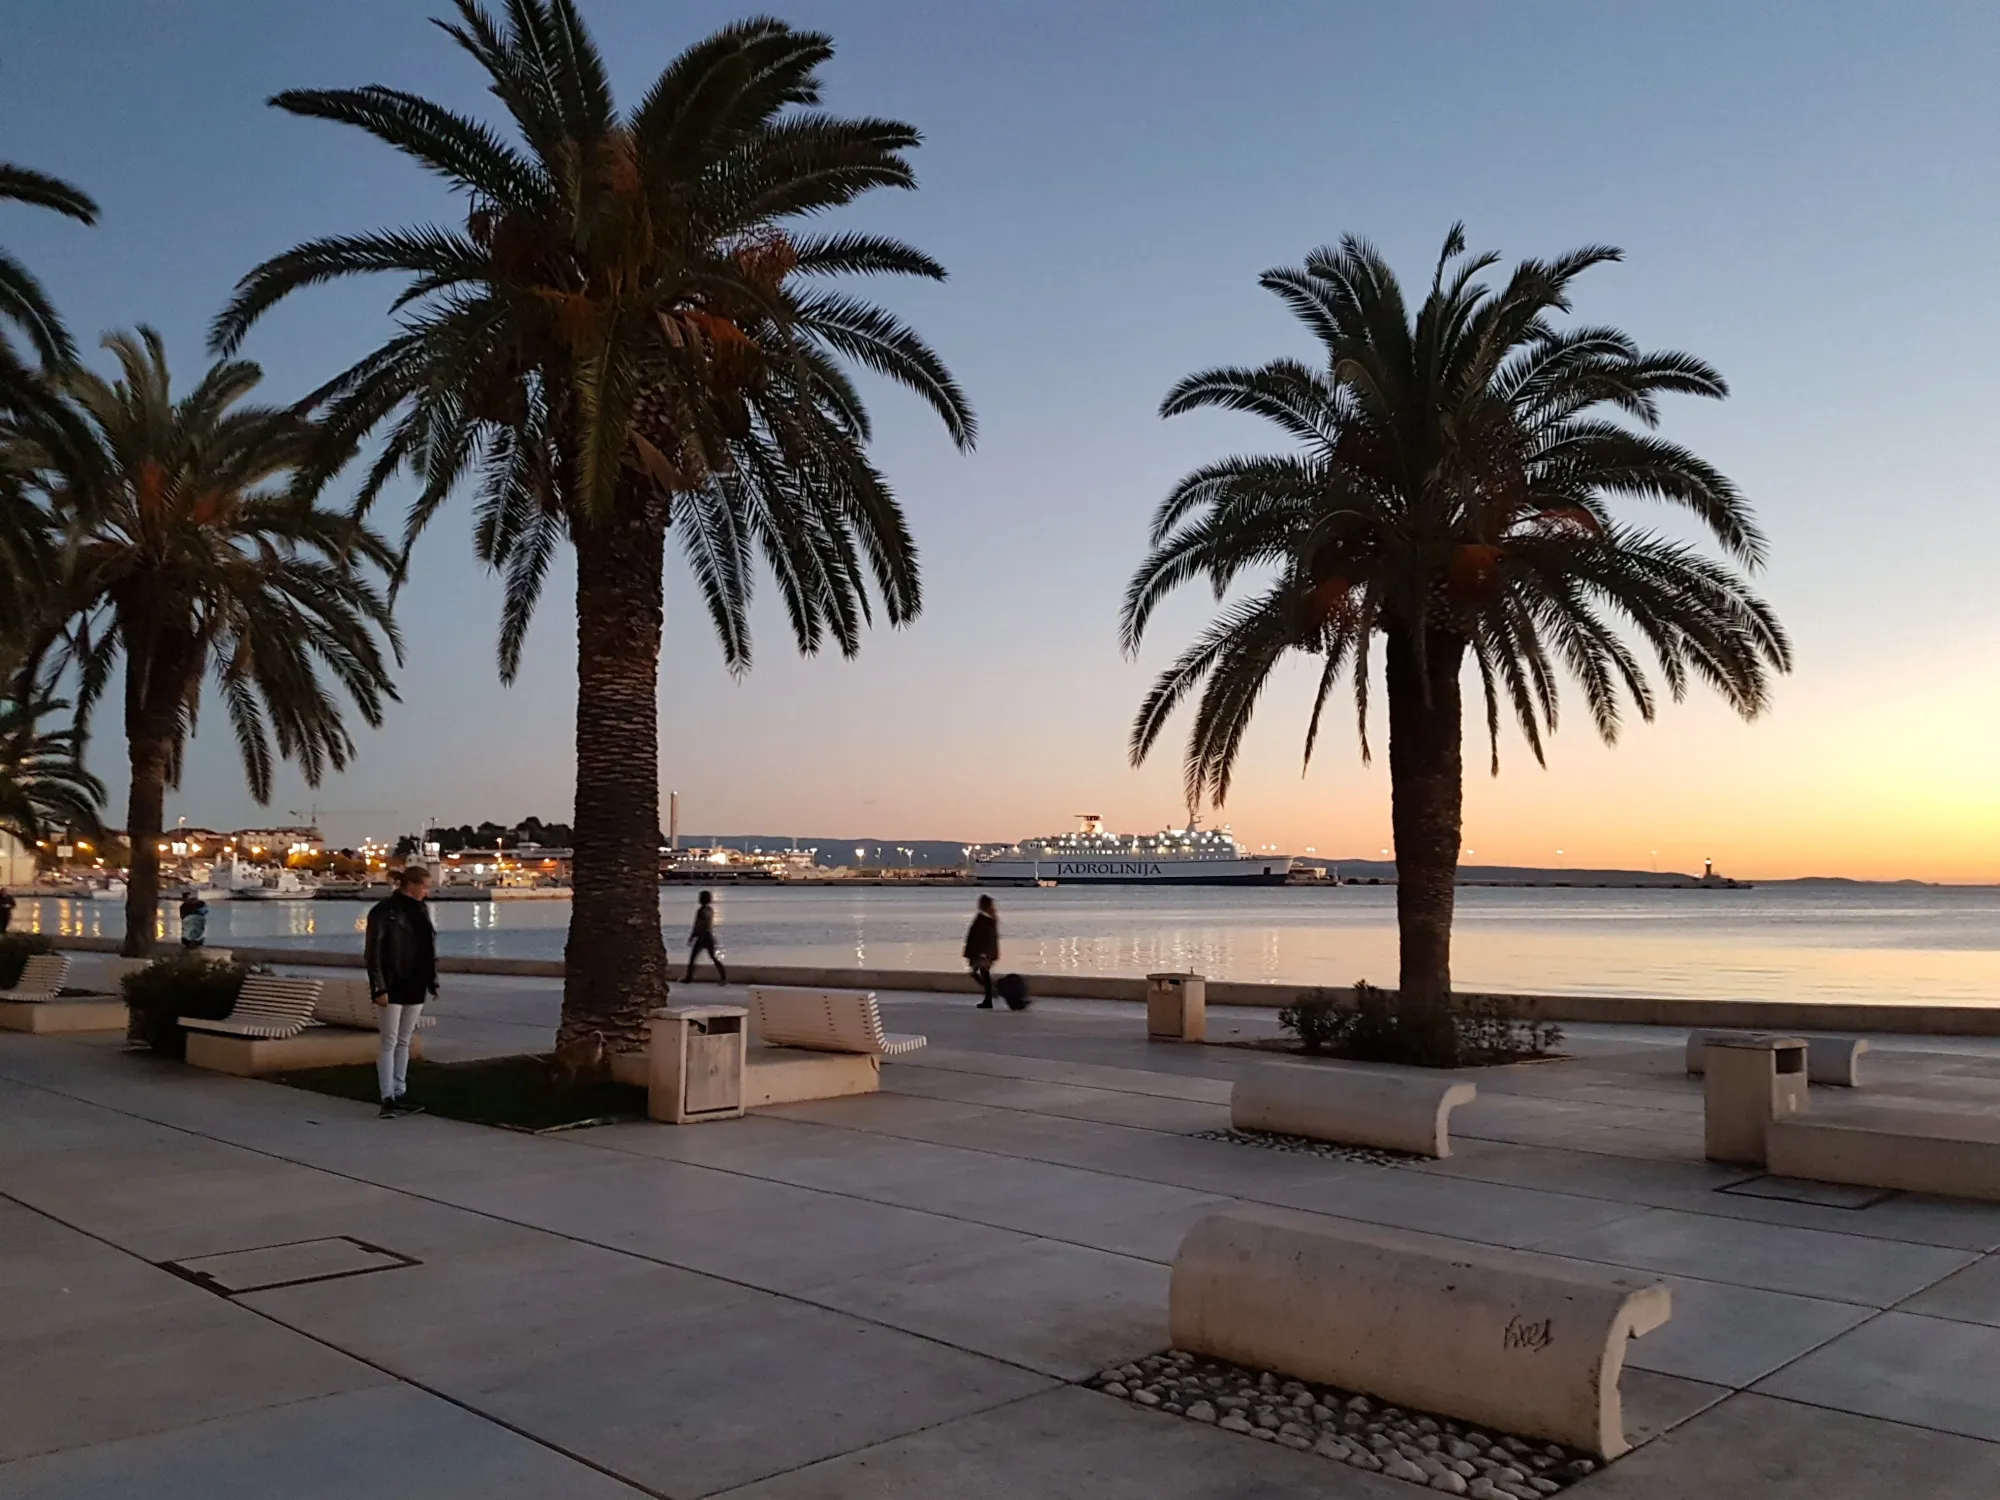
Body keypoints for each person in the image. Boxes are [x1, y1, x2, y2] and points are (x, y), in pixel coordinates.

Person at [365, 864, 438, 1117]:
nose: (427, 892)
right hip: (393, 982)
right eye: (425, 886)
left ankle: (400, 1090)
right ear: (412, 885)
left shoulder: (421, 910)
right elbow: (373, 952)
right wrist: (379, 987)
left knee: (404, 1040)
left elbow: (427, 947)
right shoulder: (384, 912)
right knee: (389, 1040)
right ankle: (387, 1097)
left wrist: (432, 979)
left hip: (415, 982)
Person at [963, 895, 999, 1008]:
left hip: (981, 952)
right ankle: (991, 994)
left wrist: (983, 953)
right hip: (983, 952)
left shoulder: (985, 919)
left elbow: (982, 937)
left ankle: (991, 996)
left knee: (980, 974)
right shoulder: (989, 918)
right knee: (982, 974)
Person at [685, 890, 726, 984]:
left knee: (694, 958)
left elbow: (698, 924)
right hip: (707, 935)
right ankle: (723, 978)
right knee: (711, 957)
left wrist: (693, 936)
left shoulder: (701, 910)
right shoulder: (710, 909)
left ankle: (689, 978)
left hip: (703, 936)